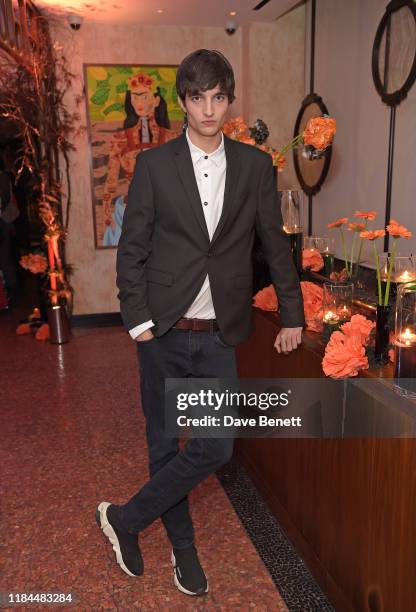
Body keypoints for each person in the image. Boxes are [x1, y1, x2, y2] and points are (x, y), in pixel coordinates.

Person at [96, 49, 305, 596]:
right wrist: (136, 317)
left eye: (218, 98)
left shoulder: (257, 166)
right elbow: (132, 248)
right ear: (183, 103)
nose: (208, 109)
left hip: (217, 336)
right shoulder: (155, 165)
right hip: (162, 332)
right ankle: (183, 551)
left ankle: (125, 518)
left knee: (215, 446)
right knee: (165, 446)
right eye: (197, 98)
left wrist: (292, 313)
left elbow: (275, 245)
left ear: (229, 100)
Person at [102, 73, 179, 246]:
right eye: (134, 97)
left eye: (145, 96)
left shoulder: (172, 139)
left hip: (165, 214)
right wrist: (107, 210)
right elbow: (111, 180)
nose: (139, 103)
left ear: (157, 100)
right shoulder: (119, 139)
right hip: (129, 212)